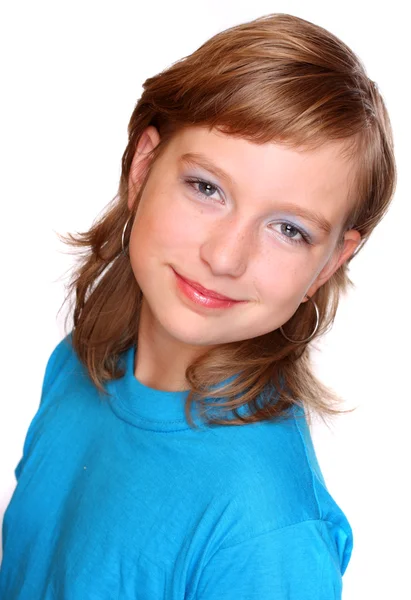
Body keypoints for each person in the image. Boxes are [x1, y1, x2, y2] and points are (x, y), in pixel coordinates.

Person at [0, 12, 396, 599]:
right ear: (143, 168)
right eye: (207, 188)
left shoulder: (267, 536)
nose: (226, 257)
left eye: (288, 229)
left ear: (331, 261)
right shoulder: (76, 370)